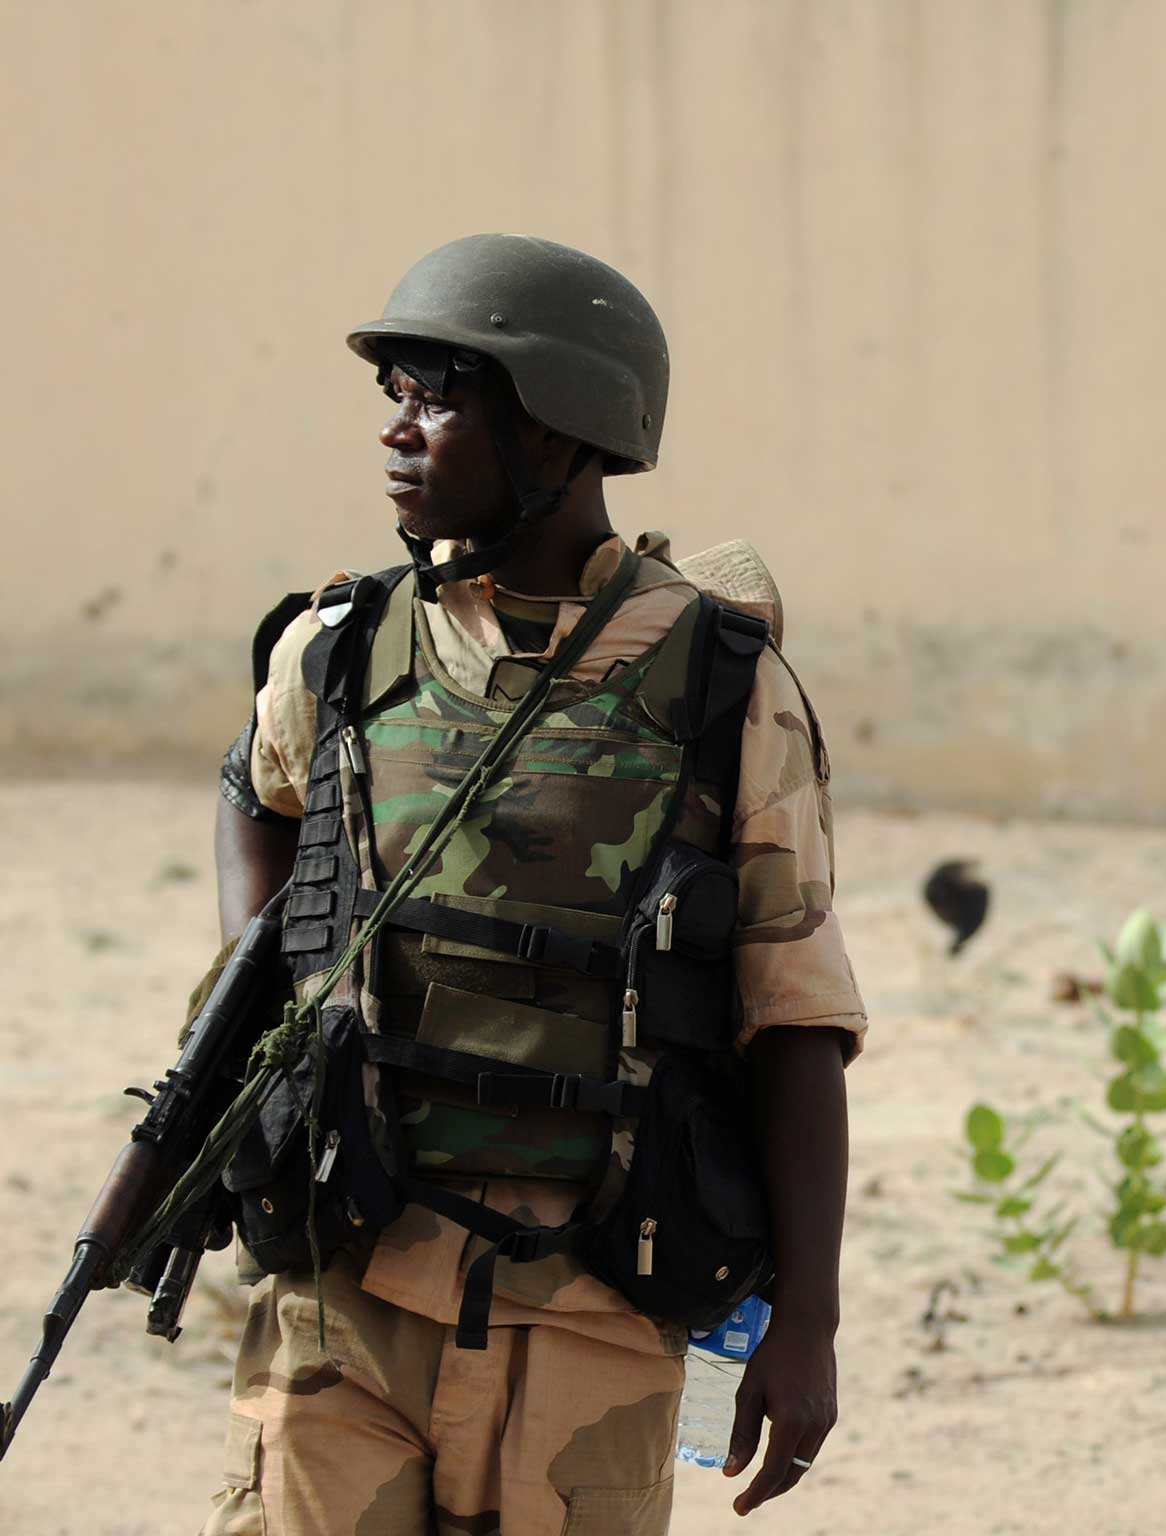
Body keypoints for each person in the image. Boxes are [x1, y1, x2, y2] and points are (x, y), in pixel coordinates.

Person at [204, 233, 865, 1532]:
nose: (400, 432)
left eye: (440, 395)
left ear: (564, 435)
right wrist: (273, 997)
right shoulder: (341, 652)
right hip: (345, 1294)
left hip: (595, 1313)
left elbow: (795, 1019)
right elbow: (253, 792)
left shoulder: (721, 690)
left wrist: (810, 1322)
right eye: (393, 396)